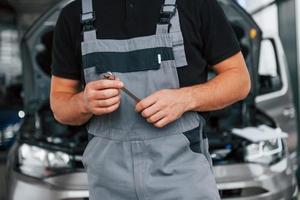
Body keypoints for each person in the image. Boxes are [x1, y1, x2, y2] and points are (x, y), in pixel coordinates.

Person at [50, 0, 250, 199]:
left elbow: (239, 80)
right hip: (108, 185)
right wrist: (84, 103)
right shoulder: (73, 16)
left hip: (183, 181)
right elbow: (60, 106)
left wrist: (186, 98)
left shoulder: (197, 5)